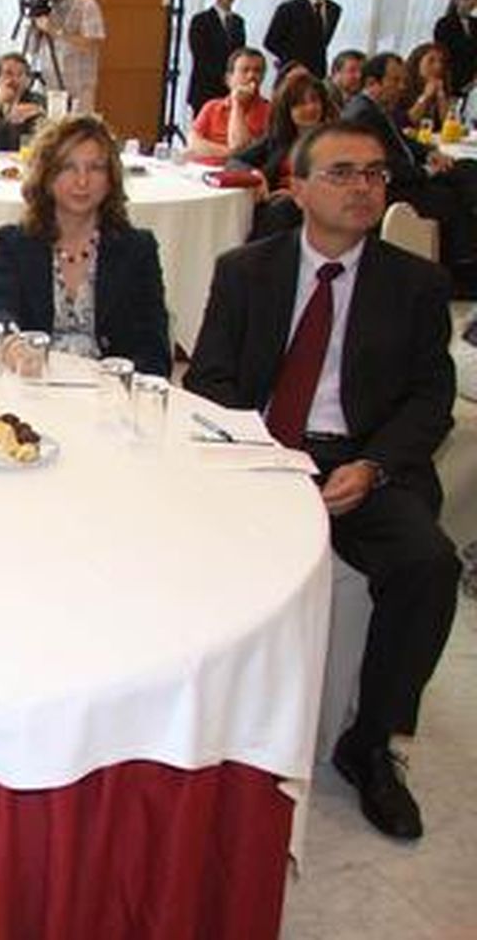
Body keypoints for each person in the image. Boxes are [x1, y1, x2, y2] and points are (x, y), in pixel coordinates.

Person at [186, 120, 459, 841]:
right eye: (341, 172)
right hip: (265, 449)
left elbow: (431, 400)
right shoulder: (246, 270)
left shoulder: (417, 285)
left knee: (427, 564)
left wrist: (373, 467)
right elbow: (210, 377)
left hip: (364, 458)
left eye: (374, 174)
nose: (363, 187)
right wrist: (264, 451)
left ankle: (371, 743)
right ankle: (211, 717)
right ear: (298, 187)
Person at [0, 115, 169, 375]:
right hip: (32, 385)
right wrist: (11, 343)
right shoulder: (15, 242)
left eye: (96, 168)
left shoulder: (137, 249)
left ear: (111, 177)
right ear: (46, 175)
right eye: (68, 167)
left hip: (109, 396)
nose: (82, 181)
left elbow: (154, 347)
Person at [342, 53, 477, 287]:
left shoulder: (375, 108)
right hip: (391, 187)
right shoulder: (363, 114)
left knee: (466, 171)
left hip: (406, 174)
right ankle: (462, 270)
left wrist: (429, 152)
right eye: (394, 81)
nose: (401, 87)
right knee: (452, 196)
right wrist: (427, 171)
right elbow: (384, 164)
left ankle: (466, 255)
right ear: (372, 83)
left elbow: (402, 140)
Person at [230, 73, 338, 240]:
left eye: (314, 100)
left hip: (310, 211)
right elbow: (235, 161)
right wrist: (254, 175)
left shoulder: (336, 141)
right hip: (274, 207)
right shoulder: (278, 139)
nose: (310, 108)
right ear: (287, 110)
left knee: (284, 210)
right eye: (300, 104)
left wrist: (298, 195)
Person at [31, 0, 106, 114]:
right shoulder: (45, 4)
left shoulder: (86, 5)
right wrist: (35, 27)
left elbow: (92, 43)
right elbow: (33, 49)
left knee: (76, 132)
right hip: (49, 84)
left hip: (78, 87)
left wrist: (55, 31)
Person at [188, 48, 272, 162]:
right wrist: (231, 153)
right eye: (245, 70)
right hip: (202, 170)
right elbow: (194, 143)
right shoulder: (212, 107)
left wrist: (237, 104)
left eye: (257, 71)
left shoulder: (270, 111)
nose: (251, 76)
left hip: (241, 174)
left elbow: (240, 146)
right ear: (229, 79)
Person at [264, 0, 342, 80]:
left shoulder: (334, 9)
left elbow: (323, 42)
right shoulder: (289, 8)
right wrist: (291, 61)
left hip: (318, 72)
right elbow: (270, 41)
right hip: (292, 71)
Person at [187, 0, 247, 113]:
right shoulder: (201, 20)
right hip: (205, 86)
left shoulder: (238, 22)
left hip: (229, 87)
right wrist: (223, 77)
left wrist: (234, 79)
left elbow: (240, 53)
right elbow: (200, 54)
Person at [433, 0, 477, 98]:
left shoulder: (475, 23)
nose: (472, 2)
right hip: (452, 80)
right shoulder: (444, 23)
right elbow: (442, 53)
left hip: (473, 81)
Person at [404, 42, 455, 128]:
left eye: (441, 62)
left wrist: (441, 96)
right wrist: (425, 97)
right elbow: (408, 121)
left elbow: (449, 125)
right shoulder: (402, 88)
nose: (438, 66)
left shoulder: (443, 89)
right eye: (431, 61)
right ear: (417, 63)